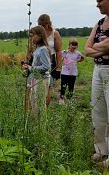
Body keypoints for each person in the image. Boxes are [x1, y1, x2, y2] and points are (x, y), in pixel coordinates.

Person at [85, 0, 109, 164]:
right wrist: (103, 48)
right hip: (98, 70)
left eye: (100, 0)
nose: (97, 4)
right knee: (98, 111)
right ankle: (101, 150)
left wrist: (95, 47)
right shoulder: (99, 23)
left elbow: (92, 47)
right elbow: (86, 49)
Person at [22, 25, 51, 116]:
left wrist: (30, 68)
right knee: (34, 102)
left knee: (39, 104)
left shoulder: (43, 49)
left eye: (32, 35)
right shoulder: (37, 49)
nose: (31, 38)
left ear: (40, 35)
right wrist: (28, 67)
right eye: (30, 36)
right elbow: (37, 65)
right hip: (36, 79)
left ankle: (40, 124)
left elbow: (46, 67)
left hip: (41, 80)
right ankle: (36, 122)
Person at [38, 14, 63, 104]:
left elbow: (59, 51)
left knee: (49, 85)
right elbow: (30, 49)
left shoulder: (55, 34)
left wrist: (59, 68)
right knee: (36, 84)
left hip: (50, 60)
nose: (42, 27)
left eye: (43, 25)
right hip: (38, 61)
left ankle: (45, 108)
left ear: (48, 24)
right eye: (39, 25)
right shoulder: (37, 34)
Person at [59, 38, 84, 104]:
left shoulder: (78, 53)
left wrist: (78, 60)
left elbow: (82, 58)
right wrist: (63, 61)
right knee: (63, 85)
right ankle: (61, 98)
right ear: (69, 45)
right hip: (64, 72)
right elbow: (59, 57)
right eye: (72, 44)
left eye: (76, 44)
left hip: (73, 73)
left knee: (71, 86)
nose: (74, 46)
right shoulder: (65, 52)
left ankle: (69, 99)